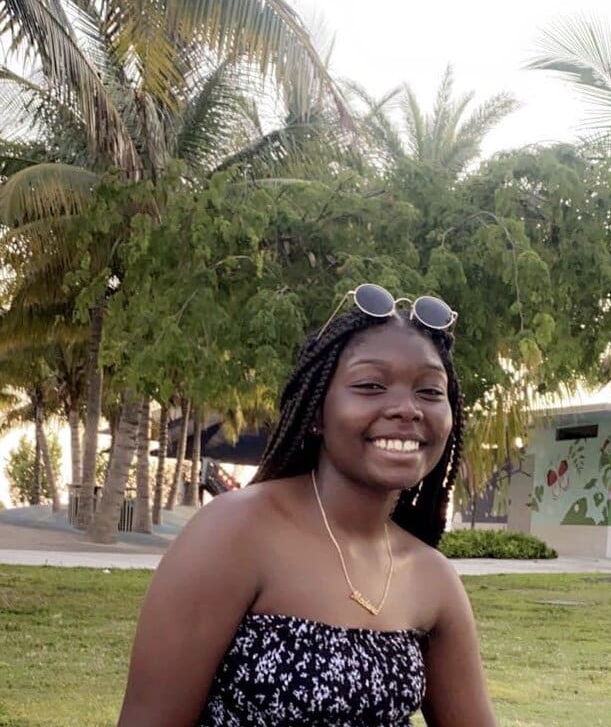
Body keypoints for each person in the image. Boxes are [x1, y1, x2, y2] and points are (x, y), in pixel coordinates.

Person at [117, 283, 497, 727]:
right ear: (317, 411)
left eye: (430, 392)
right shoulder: (236, 533)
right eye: (371, 385)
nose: (406, 409)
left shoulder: (432, 578)